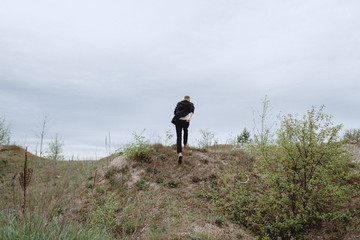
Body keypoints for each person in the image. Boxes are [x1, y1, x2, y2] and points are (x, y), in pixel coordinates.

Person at [173, 95, 195, 164]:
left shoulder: (179, 103)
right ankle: (185, 144)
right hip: (186, 121)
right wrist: (190, 118)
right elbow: (192, 111)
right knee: (185, 131)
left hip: (178, 121)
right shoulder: (190, 104)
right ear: (188, 99)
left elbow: (175, 112)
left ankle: (179, 153)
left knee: (179, 137)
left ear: (184, 99)